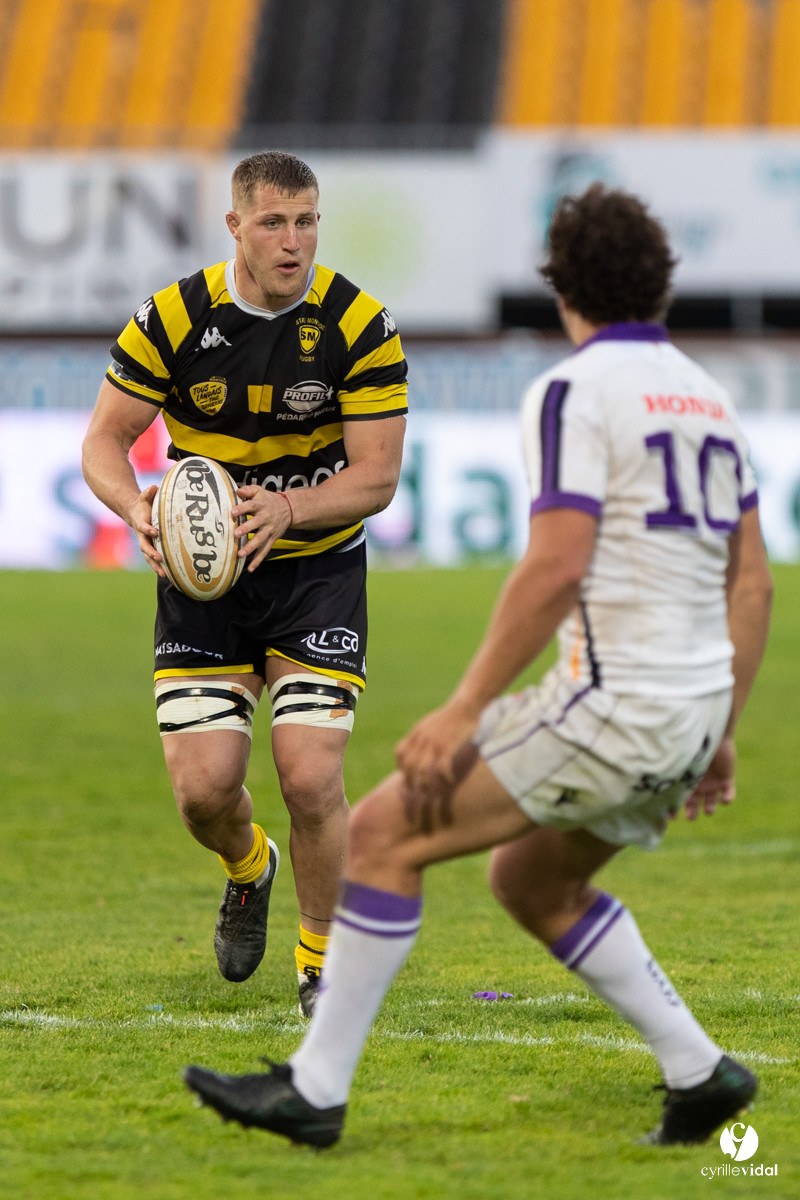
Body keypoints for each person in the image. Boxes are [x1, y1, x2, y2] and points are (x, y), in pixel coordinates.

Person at [183, 184, 773, 1147]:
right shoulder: (712, 398)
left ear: (563, 290)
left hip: (612, 702)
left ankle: (316, 1091)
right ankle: (701, 1072)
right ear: (660, 286)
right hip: (694, 703)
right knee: (533, 883)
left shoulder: (572, 392)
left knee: (377, 833)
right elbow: (753, 589)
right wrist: (723, 731)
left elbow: (554, 566)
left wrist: (463, 709)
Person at [82, 150, 408, 1017]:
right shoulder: (174, 317)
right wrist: (141, 513)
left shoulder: (359, 323)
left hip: (317, 574)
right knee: (202, 791)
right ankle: (247, 867)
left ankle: (319, 964)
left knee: (309, 773)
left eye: (306, 220)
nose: (293, 239)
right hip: (206, 581)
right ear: (235, 226)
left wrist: (288, 514)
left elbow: (377, 478)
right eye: (274, 221)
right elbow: (103, 445)